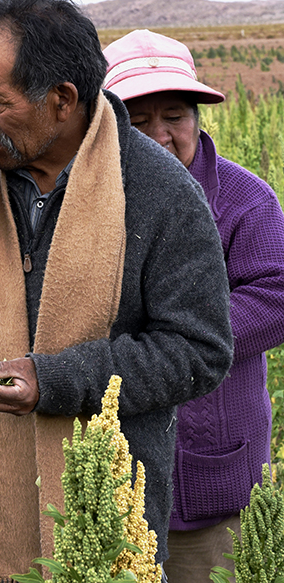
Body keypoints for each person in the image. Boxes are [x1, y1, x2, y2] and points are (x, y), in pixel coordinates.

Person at [0, 0, 234, 583]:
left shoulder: (160, 194)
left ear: (62, 100)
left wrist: (57, 379)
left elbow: (199, 351)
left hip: (103, 522)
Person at [103, 29, 284, 582]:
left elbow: (275, 299)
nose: (159, 135)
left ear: (199, 118)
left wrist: (177, 340)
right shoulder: (90, 203)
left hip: (210, 481)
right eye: (137, 120)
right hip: (112, 475)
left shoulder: (243, 199)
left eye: (174, 116)